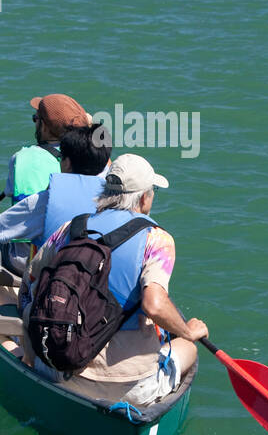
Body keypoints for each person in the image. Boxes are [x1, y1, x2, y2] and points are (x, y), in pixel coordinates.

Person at [22, 154, 205, 408]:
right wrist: (187, 331)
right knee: (189, 348)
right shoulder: (157, 239)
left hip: (59, 368)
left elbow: (32, 277)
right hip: (129, 388)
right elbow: (154, 305)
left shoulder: (70, 229)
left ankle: (29, 366)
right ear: (143, 198)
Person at [0, 122, 111, 253]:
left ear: (68, 163)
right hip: (100, 276)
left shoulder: (44, 202)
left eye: (62, 157)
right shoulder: (118, 194)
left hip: (58, 278)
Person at [0, 94, 92, 275]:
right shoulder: (92, 157)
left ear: (46, 128)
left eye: (36, 119)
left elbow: (12, 195)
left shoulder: (21, 158)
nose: (34, 123)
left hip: (27, 261)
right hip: (75, 254)